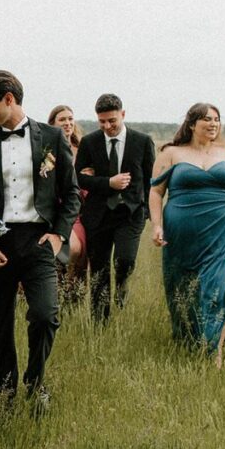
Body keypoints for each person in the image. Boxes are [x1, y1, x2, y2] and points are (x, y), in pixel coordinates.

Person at [0, 71, 80, 411]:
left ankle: (36, 381)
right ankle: (3, 391)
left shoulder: (53, 138)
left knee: (45, 315)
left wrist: (58, 235)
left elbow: (71, 194)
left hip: (39, 241)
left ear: (9, 99)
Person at [148, 103, 225, 366]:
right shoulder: (171, 153)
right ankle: (190, 342)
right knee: (184, 288)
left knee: (219, 285)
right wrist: (156, 225)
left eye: (217, 119)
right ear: (191, 124)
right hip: (182, 232)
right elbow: (156, 192)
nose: (213, 124)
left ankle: (213, 353)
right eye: (207, 119)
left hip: (222, 229)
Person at [75, 94, 155, 323]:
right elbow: (77, 178)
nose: (107, 127)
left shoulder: (142, 141)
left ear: (123, 114)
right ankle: (100, 323)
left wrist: (148, 211)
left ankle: (122, 286)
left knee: (125, 260)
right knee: (99, 271)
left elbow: (151, 181)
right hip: (98, 215)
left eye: (112, 121)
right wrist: (107, 183)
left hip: (130, 213)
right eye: (102, 122)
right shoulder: (90, 142)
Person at [48, 105, 89, 302]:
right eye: (62, 119)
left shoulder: (82, 150)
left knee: (76, 249)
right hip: (53, 209)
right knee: (64, 248)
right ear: (53, 124)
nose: (67, 123)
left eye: (70, 119)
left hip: (78, 212)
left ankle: (71, 296)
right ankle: (53, 292)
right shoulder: (47, 151)